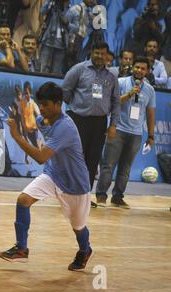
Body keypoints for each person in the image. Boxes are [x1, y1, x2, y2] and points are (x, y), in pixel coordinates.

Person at [0, 82, 93, 272]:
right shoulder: (44, 120)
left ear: (58, 104)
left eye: (46, 104)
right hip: (53, 174)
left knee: (78, 228)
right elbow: (36, 128)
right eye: (39, 103)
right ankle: (21, 248)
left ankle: (85, 250)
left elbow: (41, 157)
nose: (41, 108)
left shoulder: (65, 127)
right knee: (23, 199)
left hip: (75, 185)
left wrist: (16, 137)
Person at [62, 41, 120, 208]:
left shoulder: (111, 76)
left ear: (107, 55)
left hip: (100, 122)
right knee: (75, 157)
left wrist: (113, 124)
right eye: (97, 53)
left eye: (103, 54)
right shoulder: (79, 69)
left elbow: (116, 102)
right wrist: (72, 109)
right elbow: (65, 90)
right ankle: (69, 194)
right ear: (91, 52)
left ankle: (84, 196)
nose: (100, 56)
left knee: (92, 160)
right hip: (78, 120)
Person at [96, 57, 156, 209]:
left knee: (125, 168)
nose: (139, 71)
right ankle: (101, 196)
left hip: (136, 134)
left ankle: (118, 197)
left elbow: (150, 114)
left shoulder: (150, 90)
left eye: (143, 68)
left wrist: (150, 135)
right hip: (118, 129)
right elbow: (111, 103)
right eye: (137, 67)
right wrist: (130, 94)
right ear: (132, 67)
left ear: (147, 71)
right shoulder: (120, 82)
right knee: (108, 165)